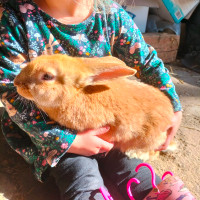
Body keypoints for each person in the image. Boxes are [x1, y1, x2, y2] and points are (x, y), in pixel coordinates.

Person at [0, 0, 183, 199]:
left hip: (103, 126)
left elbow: (147, 61)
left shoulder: (110, 13)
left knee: (132, 169)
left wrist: (172, 103)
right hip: (49, 129)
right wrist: (67, 141)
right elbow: (11, 92)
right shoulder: (13, 20)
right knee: (80, 175)